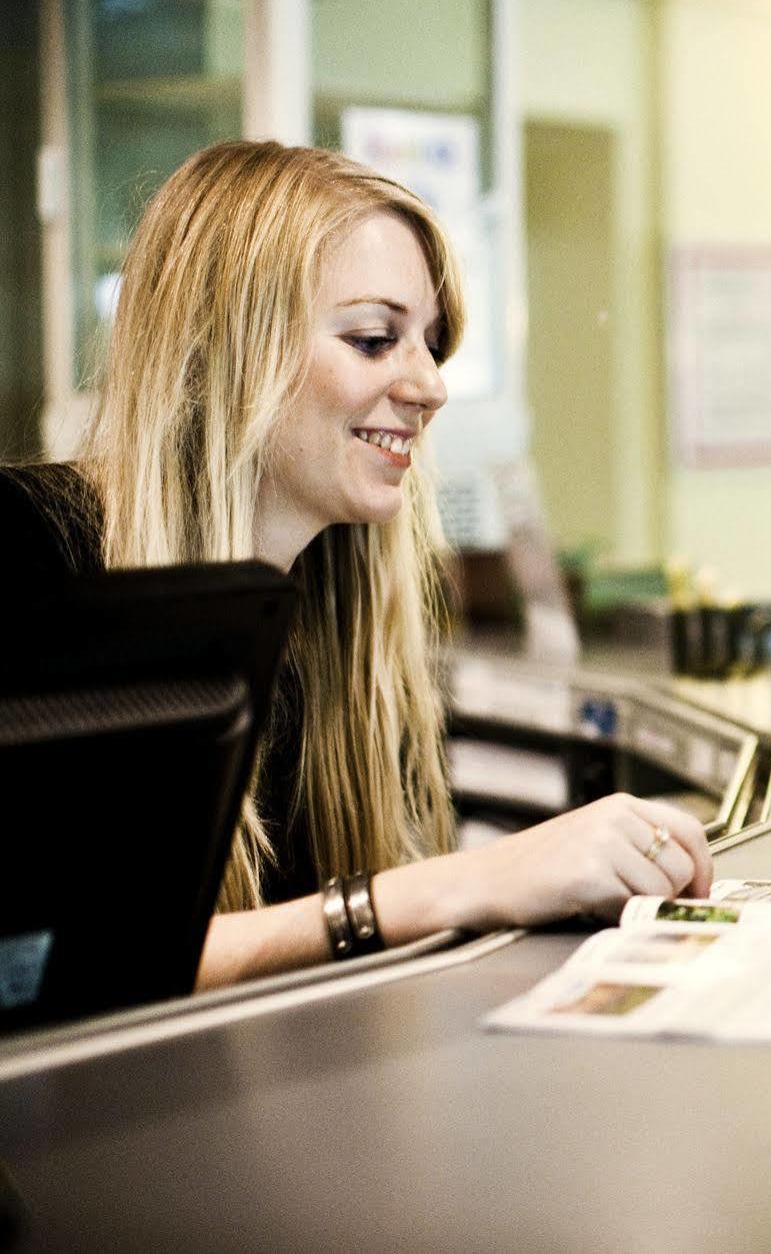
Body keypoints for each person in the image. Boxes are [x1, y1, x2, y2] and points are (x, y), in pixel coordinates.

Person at [1, 140, 712, 988]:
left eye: (430, 344)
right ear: (218, 351)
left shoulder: (330, 613)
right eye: (375, 339)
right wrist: (441, 889)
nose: (429, 386)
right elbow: (37, 968)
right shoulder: (23, 553)